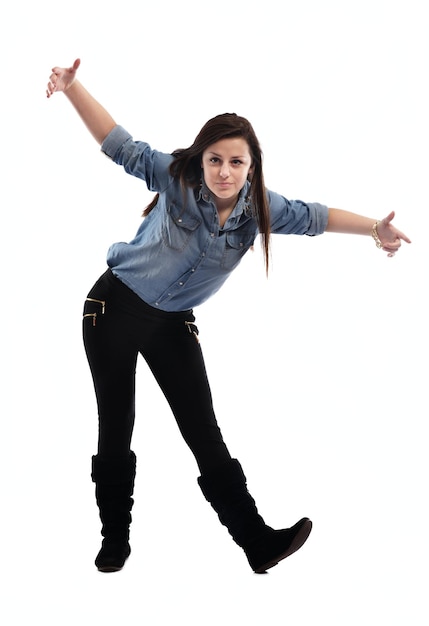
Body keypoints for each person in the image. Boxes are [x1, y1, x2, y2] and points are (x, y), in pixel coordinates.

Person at [46, 58, 411, 575]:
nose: (224, 172)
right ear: (202, 158)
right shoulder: (174, 176)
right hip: (114, 308)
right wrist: (72, 86)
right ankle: (114, 539)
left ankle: (257, 542)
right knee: (117, 424)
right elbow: (116, 142)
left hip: (173, 322)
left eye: (236, 163)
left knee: (204, 433)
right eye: (215, 159)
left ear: (251, 167)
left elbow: (317, 216)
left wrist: (377, 228)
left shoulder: (261, 207)